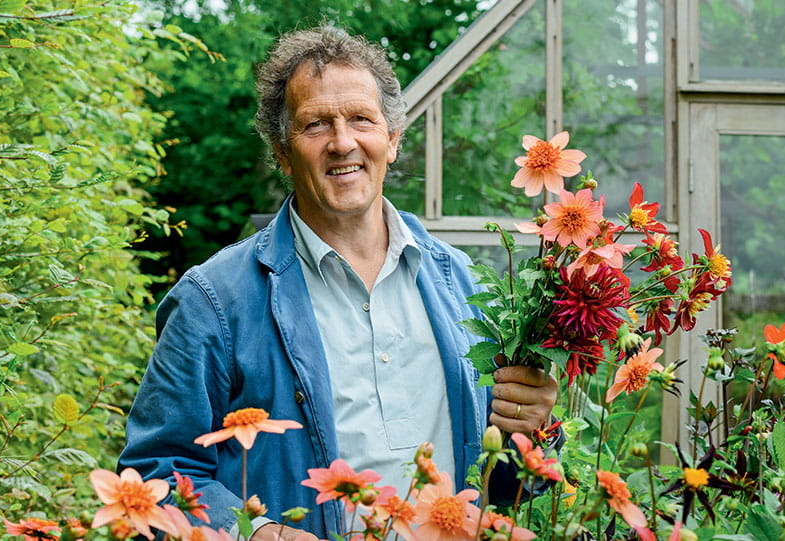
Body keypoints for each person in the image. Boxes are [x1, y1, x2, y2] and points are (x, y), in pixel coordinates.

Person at [119, 26, 558, 540]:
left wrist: (535, 431)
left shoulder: (464, 286)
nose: (342, 142)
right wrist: (260, 534)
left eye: (361, 120)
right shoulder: (213, 302)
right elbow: (155, 475)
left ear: (392, 140)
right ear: (282, 153)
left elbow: (507, 485)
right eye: (316, 124)